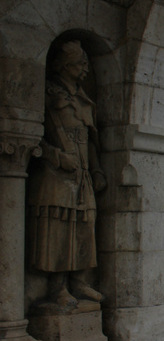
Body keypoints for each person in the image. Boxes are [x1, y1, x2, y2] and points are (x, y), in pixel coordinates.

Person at [27, 40, 106, 309]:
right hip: (55, 175)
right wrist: (58, 158)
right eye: (79, 64)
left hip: (82, 174)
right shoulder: (47, 93)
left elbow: (90, 138)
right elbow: (29, 137)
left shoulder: (83, 99)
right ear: (64, 65)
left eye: (86, 63)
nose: (85, 69)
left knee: (84, 227)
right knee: (59, 230)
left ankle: (79, 281)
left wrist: (95, 169)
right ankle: (57, 286)